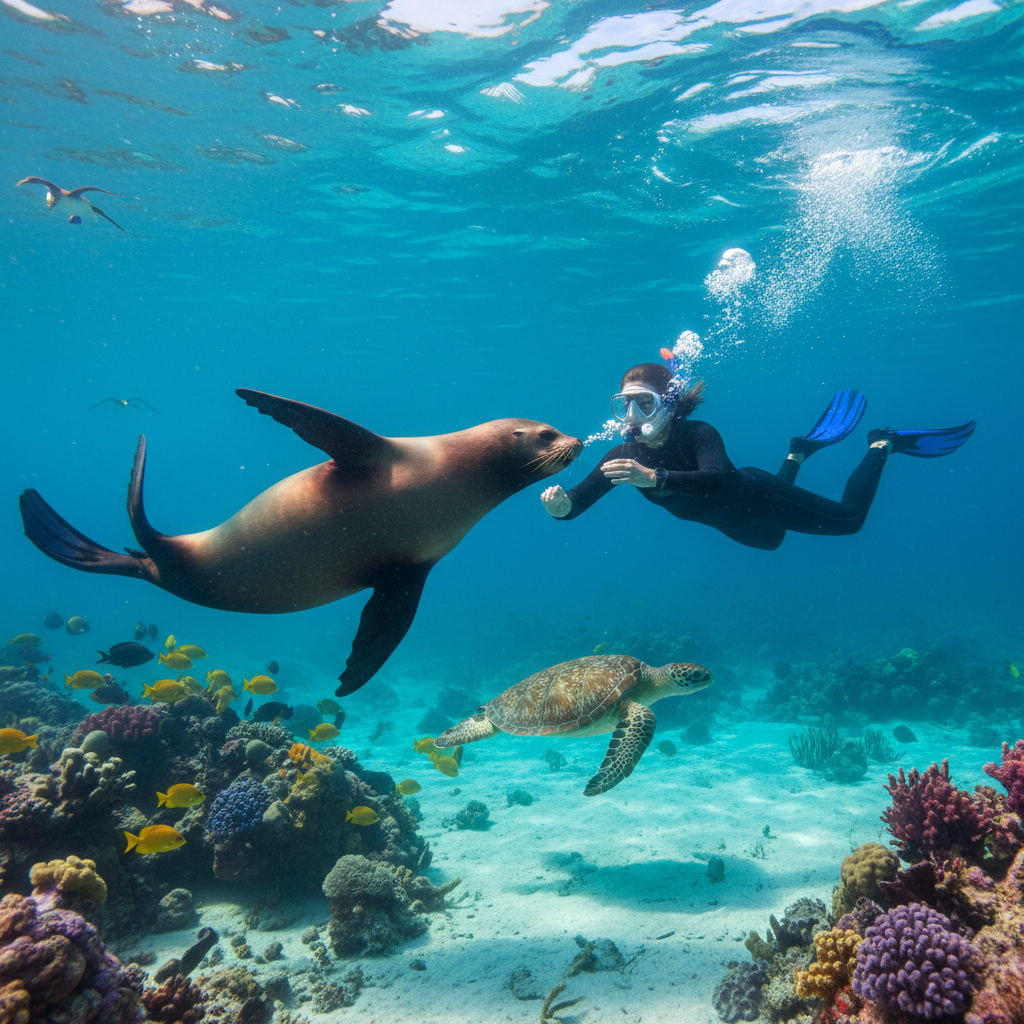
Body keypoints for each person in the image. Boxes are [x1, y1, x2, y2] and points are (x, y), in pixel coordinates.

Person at [540, 362, 975, 551]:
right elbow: (578, 503)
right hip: (737, 525)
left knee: (851, 521)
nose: (632, 415)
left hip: (755, 496)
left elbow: (715, 479)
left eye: (645, 404)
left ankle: (882, 443)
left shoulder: (699, 433)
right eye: (624, 405)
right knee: (773, 541)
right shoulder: (623, 455)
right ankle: (799, 453)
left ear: (670, 405)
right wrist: (562, 508)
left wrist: (653, 477)